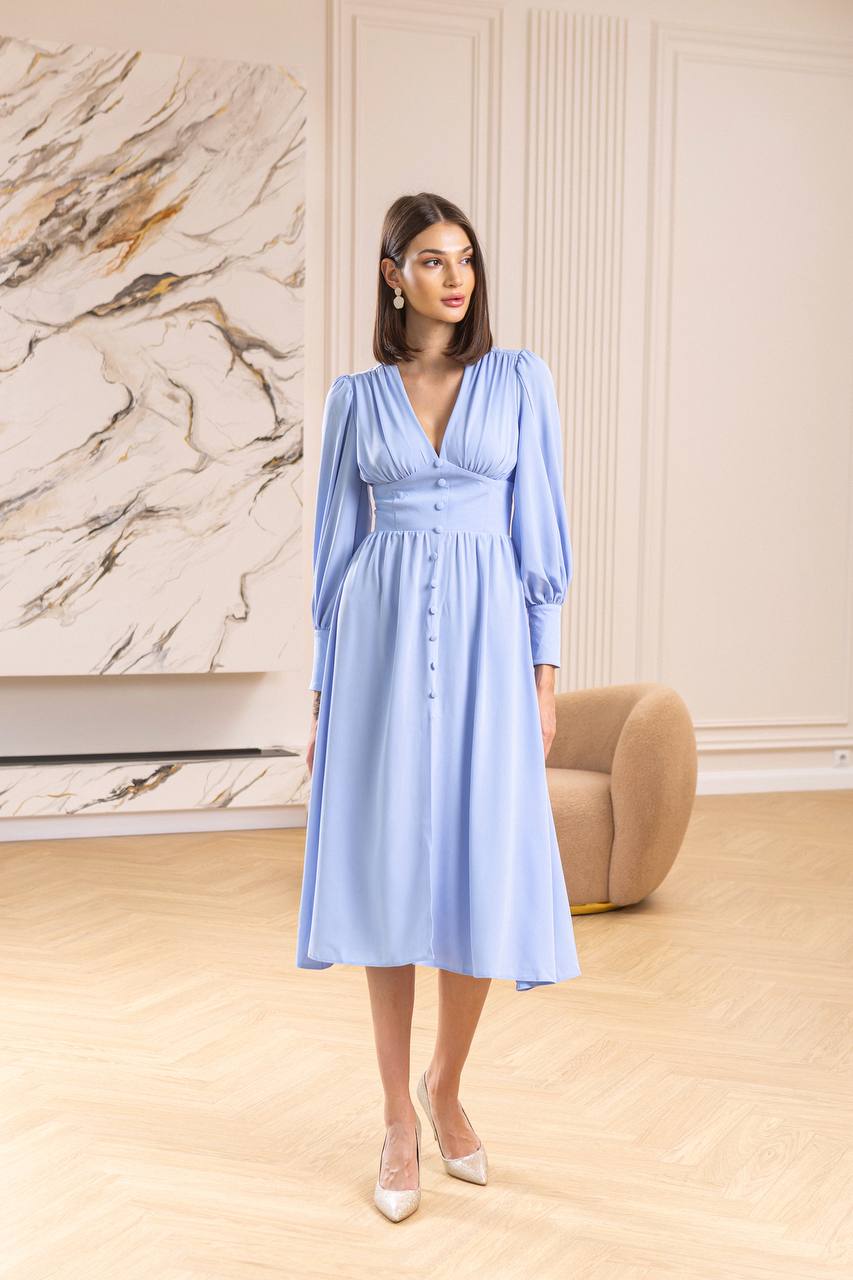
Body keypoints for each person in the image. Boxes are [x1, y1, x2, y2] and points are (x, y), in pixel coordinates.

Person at [296, 192, 581, 1221]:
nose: (452, 276)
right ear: (390, 273)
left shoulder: (518, 379)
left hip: (488, 650)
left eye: (462, 257)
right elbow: (332, 556)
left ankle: (447, 1082)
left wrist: (544, 679)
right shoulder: (352, 399)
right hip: (373, 651)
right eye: (428, 259)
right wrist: (324, 698)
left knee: (474, 865)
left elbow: (539, 534)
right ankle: (395, 1115)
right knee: (385, 873)